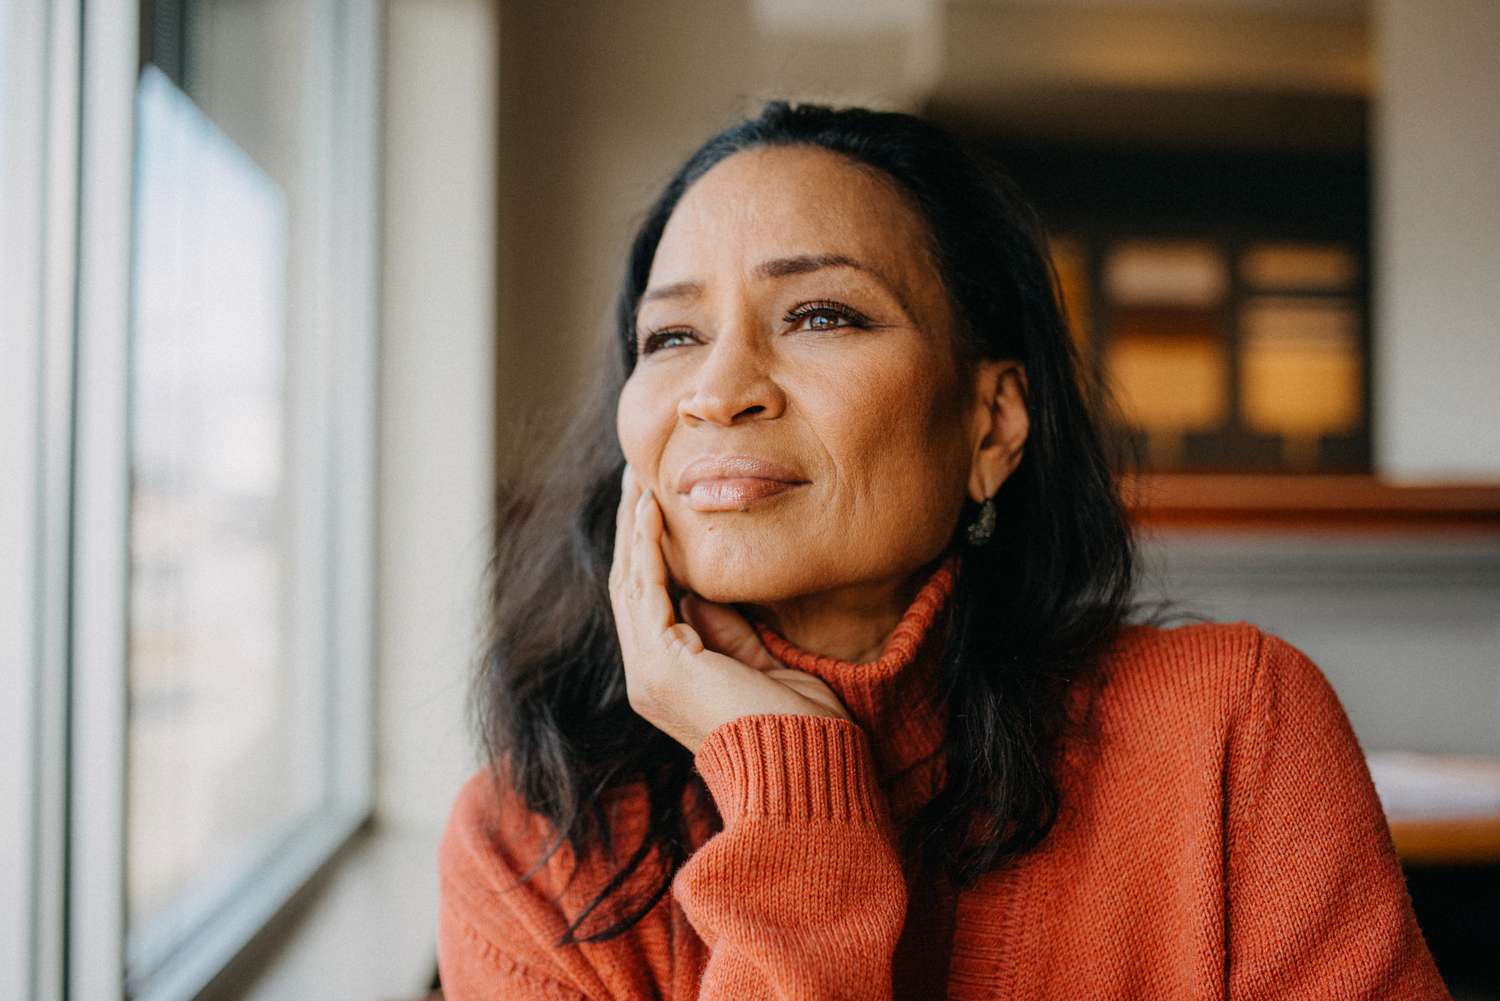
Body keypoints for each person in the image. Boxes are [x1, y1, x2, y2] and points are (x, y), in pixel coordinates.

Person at [437, 102, 1449, 1000]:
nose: (718, 388)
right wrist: (794, 802)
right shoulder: (529, 842)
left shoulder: (1231, 726)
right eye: (670, 337)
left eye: (820, 315)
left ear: (992, 423)